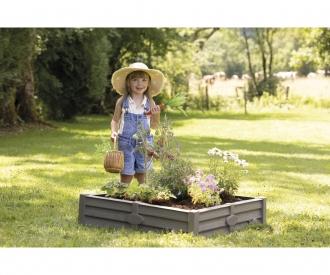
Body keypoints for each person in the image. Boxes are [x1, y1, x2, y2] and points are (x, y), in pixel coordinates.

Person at [110, 62, 164, 184]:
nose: (140, 84)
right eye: (135, 80)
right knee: (126, 173)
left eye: (144, 80)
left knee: (143, 173)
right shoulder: (122, 101)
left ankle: (143, 196)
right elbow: (115, 120)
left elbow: (154, 125)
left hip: (145, 144)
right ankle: (122, 194)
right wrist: (113, 132)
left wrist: (157, 114)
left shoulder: (150, 103)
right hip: (126, 143)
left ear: (148, 83)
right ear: (128, 82)